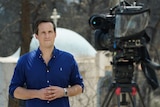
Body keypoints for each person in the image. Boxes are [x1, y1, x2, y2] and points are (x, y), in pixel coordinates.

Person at [9, 18, 84, 107]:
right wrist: (37, 94)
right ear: (36, 35)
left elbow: (79, 87)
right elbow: (14, 90)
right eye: (43, 33)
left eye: (50, 32)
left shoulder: (68, 59)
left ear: (55, 34)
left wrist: (64, 92)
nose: (47, 36)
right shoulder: (24, 61)